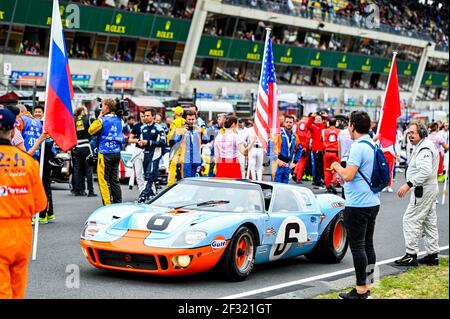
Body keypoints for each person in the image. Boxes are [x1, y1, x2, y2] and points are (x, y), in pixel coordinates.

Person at [330, 111, 380, 299]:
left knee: (358, 246)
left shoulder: (358, 146)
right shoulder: (372, 144)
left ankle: (360, 290)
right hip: (372, 200)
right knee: (367, 244)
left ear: (352, 126)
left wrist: (336, 167)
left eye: (349, 123)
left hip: (358, 203)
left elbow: (348, 175)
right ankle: (366, 286)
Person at [0, 108, 47, 298]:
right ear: (13, 130)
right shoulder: (29, 163)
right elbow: (40, 204)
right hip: (22, 235)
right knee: (18, 288)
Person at [395, 122, 440, 267]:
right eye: (408, 133)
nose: (410, 136)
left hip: (423, 189)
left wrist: (408, 184)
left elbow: (425, 171)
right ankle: (433, 255)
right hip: (428, 189)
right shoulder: (424, 145)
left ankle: (411, 254)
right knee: (429, 221)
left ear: (421, 132)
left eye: (412, 133)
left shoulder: (425, 147)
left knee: (410, 219)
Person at [88, 98, 123, 205]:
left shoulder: (103, 120)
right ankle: (117, 202)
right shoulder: (119, 119)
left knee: (103, 180)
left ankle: (107, 204)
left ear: (107, 107)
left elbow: (91, 130)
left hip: (105, 153)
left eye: (102, 106)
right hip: (116, 152)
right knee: (114, 180)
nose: (101, 108)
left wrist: (99, 116)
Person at [137, 108, 166, 203]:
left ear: (153, 117)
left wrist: (148, 142)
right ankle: (153, 194)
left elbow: (163, 142)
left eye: (148, 115)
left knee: (149, 175)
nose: (145, 117)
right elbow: (140, 141)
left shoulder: (159, 128)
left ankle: (143, 195)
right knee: (147, 175)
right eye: (144, 116)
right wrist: (140, 143)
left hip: (155, 155)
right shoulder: (143, 128)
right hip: (145, 155)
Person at [174, 110, 207, 179]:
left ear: (195, 119)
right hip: (186, 159)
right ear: (185, 119)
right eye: (189, 119)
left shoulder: (198, 129)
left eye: (193, 119)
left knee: (195, 179)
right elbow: (175, 141)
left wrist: (201, 132)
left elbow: (206, 140)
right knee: (186, 179)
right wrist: (181, 133)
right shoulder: (181, 129)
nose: (191, 121)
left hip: (196, 158)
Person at [72, 106, 97, 197]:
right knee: (88, 169)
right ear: (82, 111)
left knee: (77, 169)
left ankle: (78, 190)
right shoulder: (89, 119)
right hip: (86, 145)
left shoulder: (73, 120)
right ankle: (90, 191)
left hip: (77, 147)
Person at [275, 115, 302, 184]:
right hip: (278, 163)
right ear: (284, 123)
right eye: (287, 122)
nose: (288, 124)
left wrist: (295, 162)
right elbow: (270, 147)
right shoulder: (278, 134)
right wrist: (276, 160)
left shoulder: (295, 136)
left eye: (290, 122)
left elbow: (299, 149)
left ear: (293, 123)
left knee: (285, 185)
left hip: (288, 164)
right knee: (276, 185)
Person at [128, 110, 146, 193]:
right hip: (138, 151)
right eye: (141, 116)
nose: (143, 118)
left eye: (144, 116)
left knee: (148, 174)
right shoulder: (136, 126)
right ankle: (141, 192)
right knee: (138, 174)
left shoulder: (153, 126)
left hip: (148, 152)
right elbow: (130, 139)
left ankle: (151, 192)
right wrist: (137, 140)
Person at [167, 106, 186, 186]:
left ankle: (170, 183)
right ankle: (182, 181)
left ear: (176, 113)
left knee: (172, 165)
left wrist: (169, 142)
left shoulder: (174, 122)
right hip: (183, 145)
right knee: (182, 165)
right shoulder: (185, 121)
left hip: (175, 146)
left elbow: (171, 135)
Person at [307, 112, 326, 188]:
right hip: (316, 149)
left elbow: (329, 122)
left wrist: (326, 116)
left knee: (320, 165)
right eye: (316, 119)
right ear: (314, 120)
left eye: (319, 119)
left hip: (322, 149)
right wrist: (311, 117)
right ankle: (317, 180)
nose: (318, 120)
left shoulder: (323, 126)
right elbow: (308, 125)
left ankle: (317, 179)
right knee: (316, 165)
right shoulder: (313, 126)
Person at [322, 117, 339, 194]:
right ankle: (333, 183)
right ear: (336, 124)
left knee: (327, 170)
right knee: (335, 169)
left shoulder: (324, 131)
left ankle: (328, 185)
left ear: (328, 124)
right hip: (335, 153)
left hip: (327, 152)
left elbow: (321, 140)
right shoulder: (339, 131)